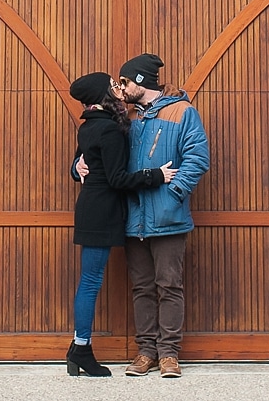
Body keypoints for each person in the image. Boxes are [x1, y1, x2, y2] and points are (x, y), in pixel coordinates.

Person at [65, 71, 178, 377]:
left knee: (89, 279)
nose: (118, 89)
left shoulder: (89, 127)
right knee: (90, 282)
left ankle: (79, 349)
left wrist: (77, 166)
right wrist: (156, 175)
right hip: (101, 211)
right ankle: (81, 350)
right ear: (104, 96)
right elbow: (117, 179)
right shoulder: (110, 131)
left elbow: (86, 161)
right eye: (113, 86)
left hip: (91, 208)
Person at [112, 53, 211, 379]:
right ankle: (146, 352)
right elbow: (101, 156)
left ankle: (169, 354)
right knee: (142, 287)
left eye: (124, 82)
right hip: (133, 218)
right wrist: (78, 166)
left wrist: (174, 193)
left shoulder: (183, 112)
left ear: (140, 81)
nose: (121, 88)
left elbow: (197, 157)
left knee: (169, 285)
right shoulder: (127, 118)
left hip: (167, 217)